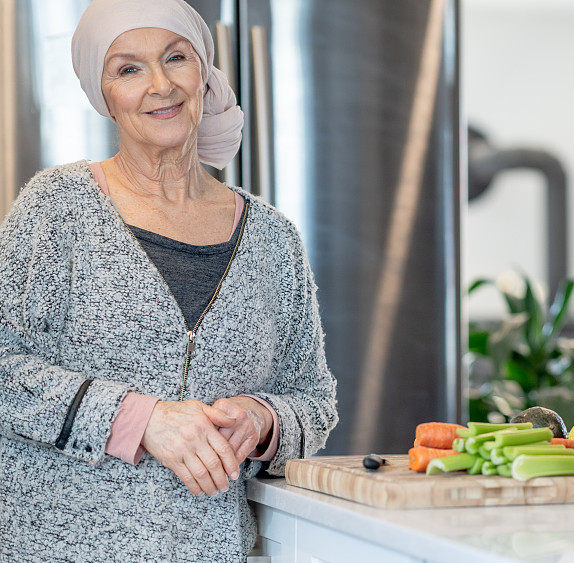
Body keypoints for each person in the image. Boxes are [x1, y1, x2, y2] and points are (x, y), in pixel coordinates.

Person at [0, 0, 338, 560]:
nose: (160, 84)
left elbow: (315, 397)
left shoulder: (272, 236)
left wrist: (265, 418)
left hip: (213, 549)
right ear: (103, 95)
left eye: (175, 58)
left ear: (203, 74)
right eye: (128, 69)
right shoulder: (57, 209)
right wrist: (141, 419)